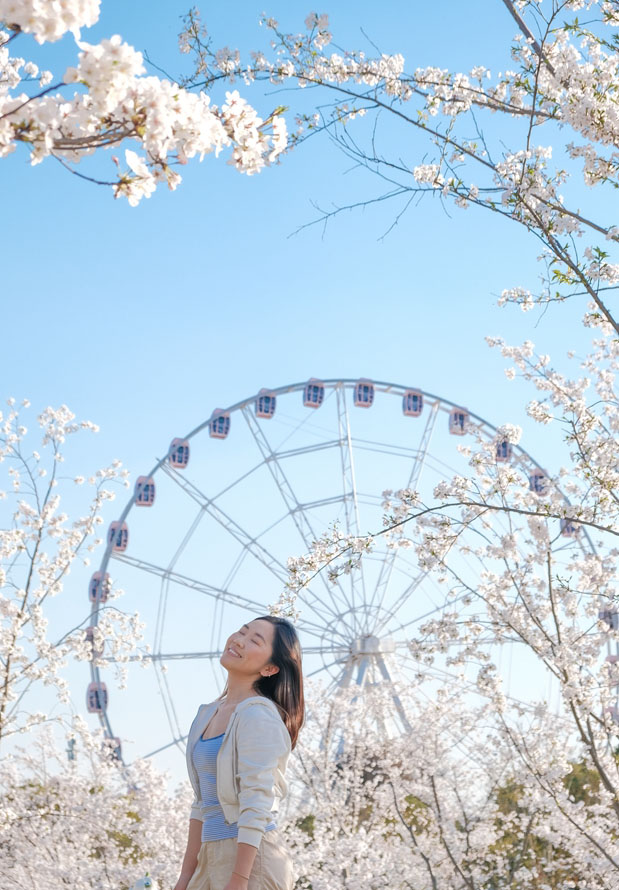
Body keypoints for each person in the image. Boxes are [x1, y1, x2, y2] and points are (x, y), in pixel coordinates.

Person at [173, 615, 304, 890]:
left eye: (255, 640)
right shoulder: (206, 714)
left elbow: (257, 801)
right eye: (242, 632)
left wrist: (239, 879)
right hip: (209, 856)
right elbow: (202, 804)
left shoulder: (259, 716)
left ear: (270, 668)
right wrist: (186, 877)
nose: (239, 641)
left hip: (252, 861)